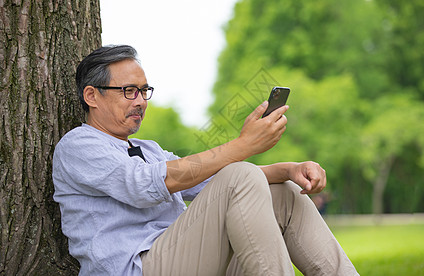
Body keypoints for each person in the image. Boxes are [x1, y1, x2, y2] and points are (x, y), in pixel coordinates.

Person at [52, 45, 358, 276]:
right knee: (240, 175)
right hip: (139, 268)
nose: (141, 102)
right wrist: (242, 146)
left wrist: (290, 170)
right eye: (129, 92)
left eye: (144, 92)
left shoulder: (148, 148)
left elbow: (214, 182)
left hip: (186, 258)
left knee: (285, 194)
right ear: (92, 96)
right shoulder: (79, 145)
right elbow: (143, 186)